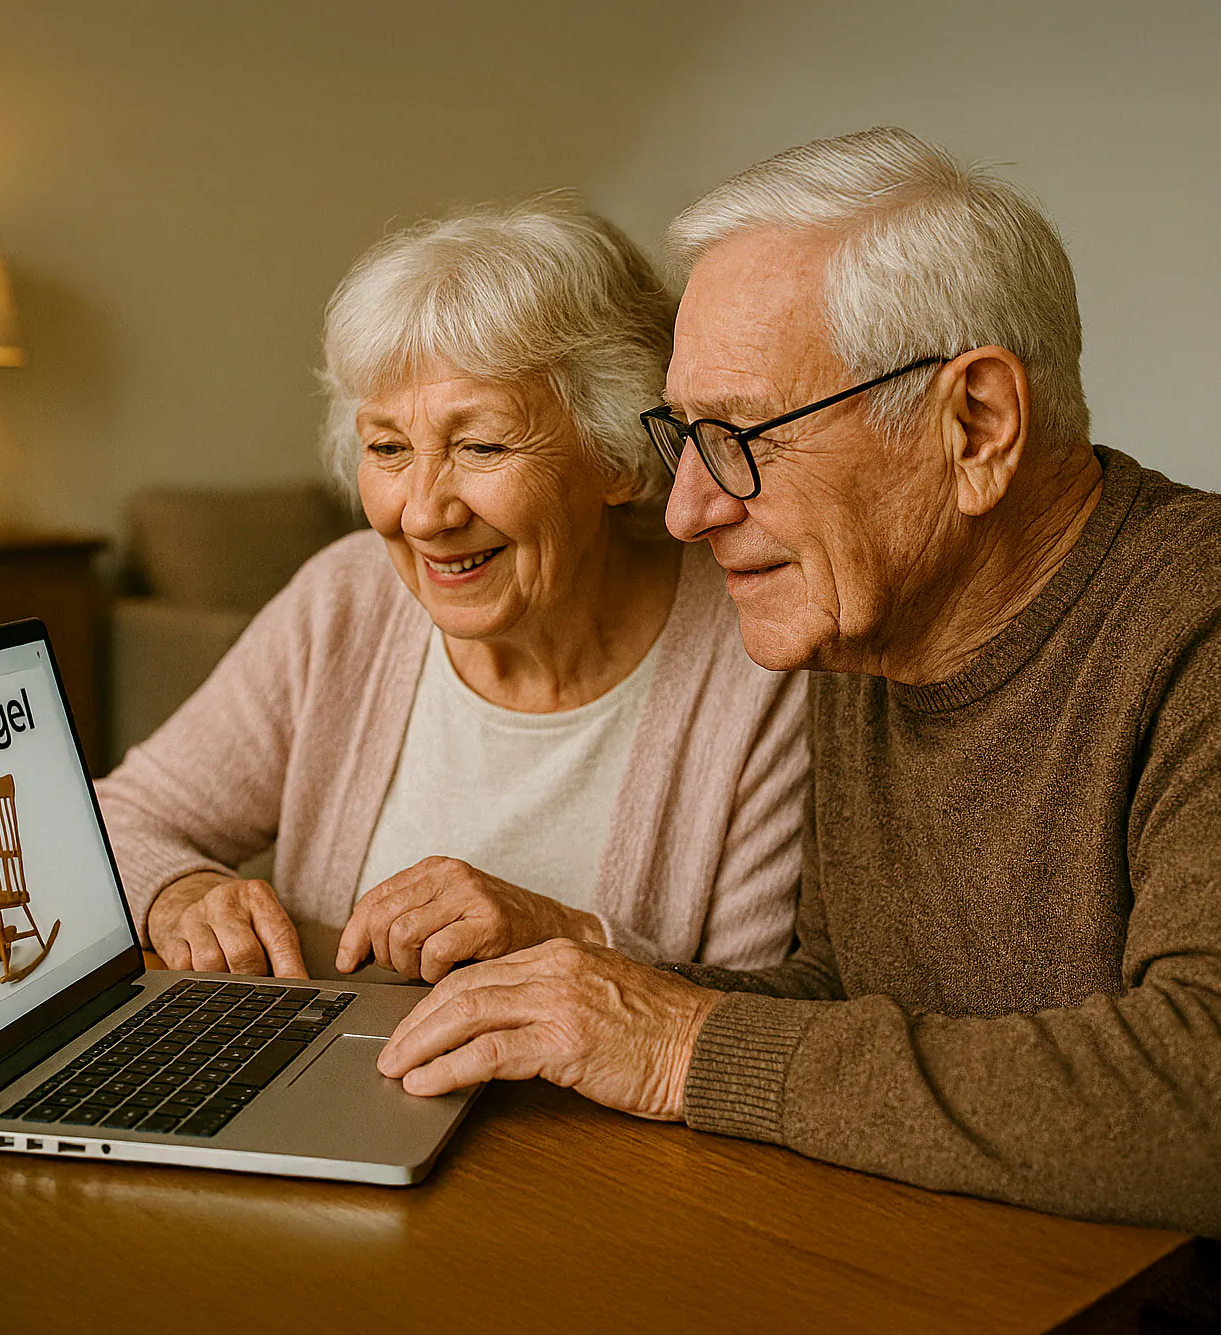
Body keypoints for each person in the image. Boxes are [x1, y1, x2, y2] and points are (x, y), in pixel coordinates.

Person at [376, 130, 1221, 1237]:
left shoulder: (1195, 627)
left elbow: (1200, 1092)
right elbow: (845, 997)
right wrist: (589, 986)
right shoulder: (869, 627)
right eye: (683, 437)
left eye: (740, 436)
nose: (689, 510)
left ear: (977, 424)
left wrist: (681, 1043)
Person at [96, 196, 807, 985]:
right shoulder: (348, 600)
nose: (425, 514)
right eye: (388, 448)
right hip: (327, 1061)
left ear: (615, 455)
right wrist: (180, 892)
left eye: (482, 446)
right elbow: (113, 823)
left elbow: (757, 1009)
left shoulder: (756, 647)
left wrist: (563, 939)